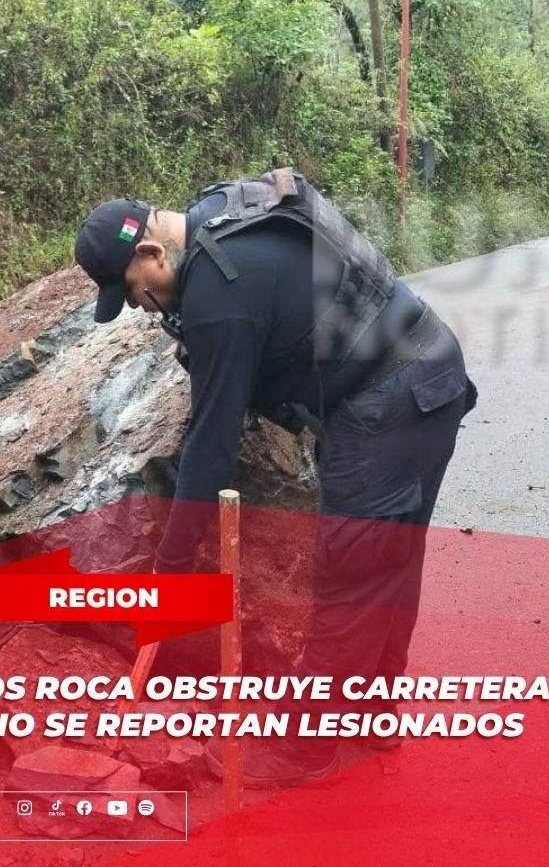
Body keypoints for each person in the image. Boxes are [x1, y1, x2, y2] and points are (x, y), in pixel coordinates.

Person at [73, 168, 476, 787]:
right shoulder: (216, 211)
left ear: (152, 253)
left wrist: (171, 569)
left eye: (135, 292)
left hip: (386, 404)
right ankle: (371, 713)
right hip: (431, 374)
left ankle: (302, 749)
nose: (142, 308)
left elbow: (210, 447)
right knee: (390, 560)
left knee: (348, 571)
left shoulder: (217, 299)